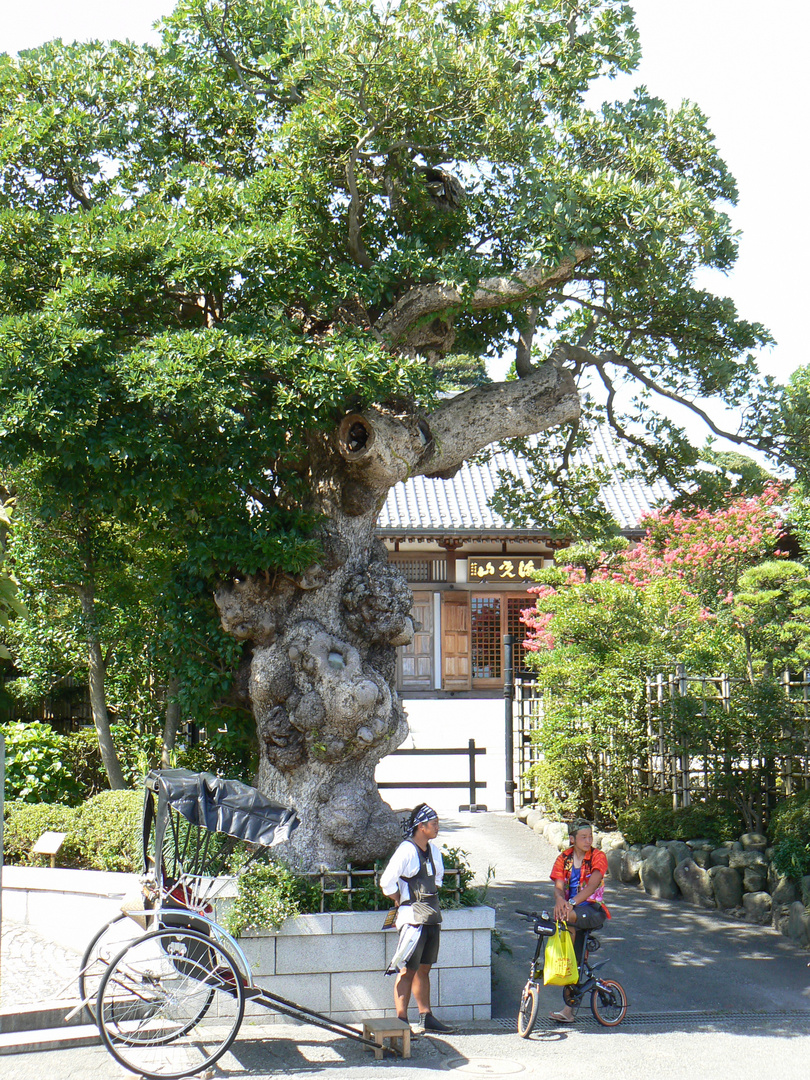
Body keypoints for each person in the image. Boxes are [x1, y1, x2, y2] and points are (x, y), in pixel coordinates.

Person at [379, 803, 454, 1033]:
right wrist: (398, 897)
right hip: (411, 918)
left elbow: (437, 880)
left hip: (430, 915)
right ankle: (401, 1021)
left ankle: (426, 1015)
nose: (437, 827)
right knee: (407, 969)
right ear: (421, 827)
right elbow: (386, 882)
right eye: (434, 824)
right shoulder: (407, 850)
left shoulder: (434, 852)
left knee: (425, 968)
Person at [548, 817, 610, 1023]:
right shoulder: (563, 858)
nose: (588, 840)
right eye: (583, 837)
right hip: (571, 911)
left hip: (592, 909)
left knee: (565, 916)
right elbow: (558, 887)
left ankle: (570, 959)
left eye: (590, 836)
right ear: (572, 839)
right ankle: (568, 1009)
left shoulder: (598, 857)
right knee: (558, 917)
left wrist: (569, 903)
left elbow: (592, 886)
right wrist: (559, 900)